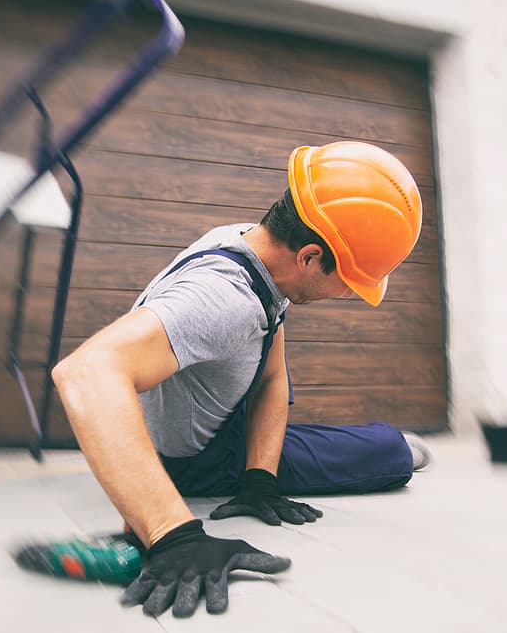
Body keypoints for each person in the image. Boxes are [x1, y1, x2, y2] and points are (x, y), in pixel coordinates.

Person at [50, 141, 425, 618]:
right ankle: (399, 448)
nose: (350, 292)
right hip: (193, 462)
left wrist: (260, 480)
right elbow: (86, 373)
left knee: (352, 431)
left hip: (225, 424)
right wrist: (171, 533)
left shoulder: (253, 250)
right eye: (350, 279)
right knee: (392, 453)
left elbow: (271, 377)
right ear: (310, 257)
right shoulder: (226, 300)